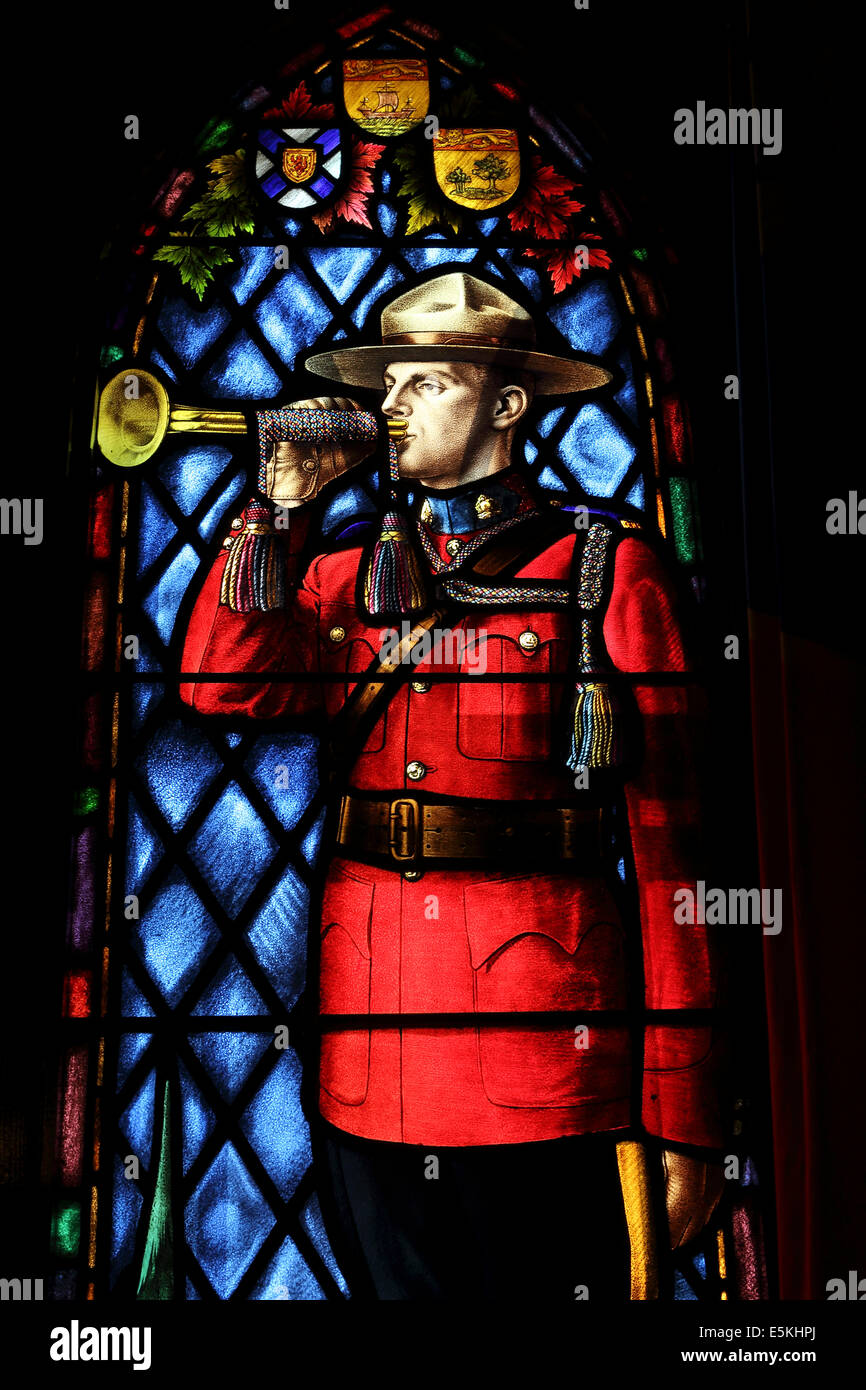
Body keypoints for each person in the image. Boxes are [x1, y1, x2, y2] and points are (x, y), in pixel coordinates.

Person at [179, 272, 726, 1300]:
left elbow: (670, 855)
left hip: (540, 1056)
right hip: (368, 1042)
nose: (391, 408)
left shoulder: (606, 570)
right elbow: (219, 683)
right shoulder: (345, 573)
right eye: (386, 383)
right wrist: (276, 506)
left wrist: (682, 1113)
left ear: (506, 404)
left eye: (424, 382)